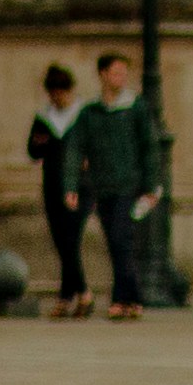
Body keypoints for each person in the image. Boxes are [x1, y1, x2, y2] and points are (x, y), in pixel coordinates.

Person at [77, 49, 160, 321]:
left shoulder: (135, 107)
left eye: (124, 73)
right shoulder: (91, 112)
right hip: (103, 186)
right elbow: (76, 148)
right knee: (115, 244)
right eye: (116, 73)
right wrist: (71, 184)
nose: (121, 78)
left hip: (128, 185)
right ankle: (132, 298)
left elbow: (149, 147)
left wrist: (150, 184)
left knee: (120, 239)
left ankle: (122, 297)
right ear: (103, 75)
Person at [27, 62, 91, 320]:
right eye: (53, 93)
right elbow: (33, 151)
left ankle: (82, 294)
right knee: (61, 240)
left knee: (70, 240)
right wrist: (40, 143)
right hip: (52, 183)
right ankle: (67, 297)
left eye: (61, 92)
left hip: (80, 185)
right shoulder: (43, 118)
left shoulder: (84, 115)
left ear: (70, 91)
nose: (58, 98)